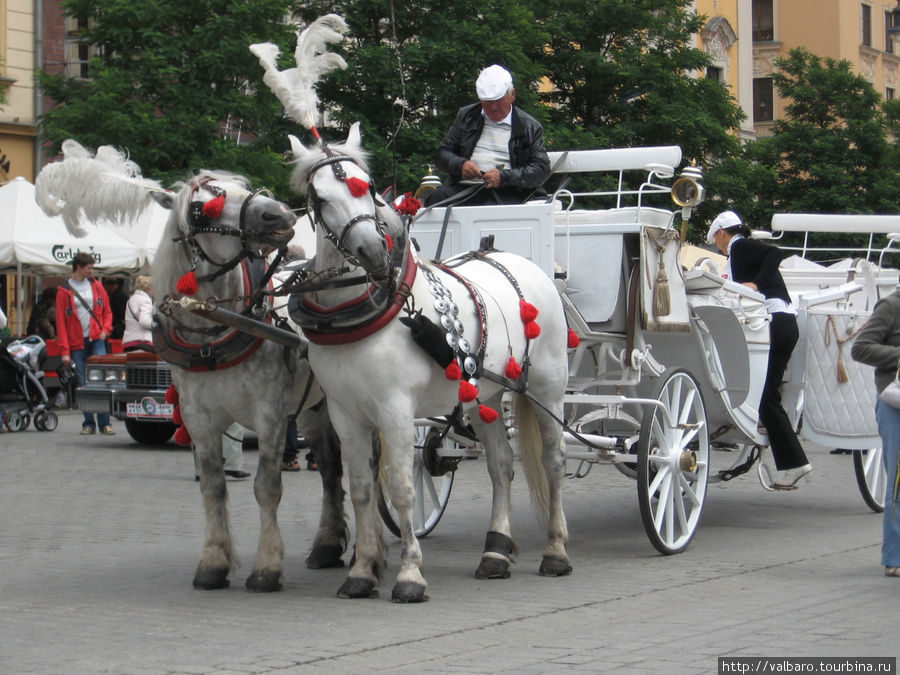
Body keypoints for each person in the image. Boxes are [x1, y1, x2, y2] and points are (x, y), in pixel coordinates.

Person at [707, 210, 811, 488]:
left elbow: (774, 253)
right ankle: (790, 456)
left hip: (775, 324)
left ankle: (797, 463)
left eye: (715, 239)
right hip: (781, 323)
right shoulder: (737, 251)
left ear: (720, 233)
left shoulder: (738, 246)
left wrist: (756, 284)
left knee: (767, 399)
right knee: (767, 396)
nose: (717, 245)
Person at [424, 64, 551, 207]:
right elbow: (442, 154)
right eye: (487, 102)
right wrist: (461, 165)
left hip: (510, 191)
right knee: (435, 199)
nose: (493, 107)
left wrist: (504, 177)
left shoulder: (529, 126)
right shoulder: (466, 116)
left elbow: (541, 168)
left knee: (501, 208)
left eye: (498, 101)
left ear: (512, 95)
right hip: (466, 189)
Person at [851, 286, 900, 577]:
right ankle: (894, 555)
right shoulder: (891, 305)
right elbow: (861, 348)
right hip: (895, 404)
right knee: (896, 479)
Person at [55, 252, 115, 435]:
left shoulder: (96, 286)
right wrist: (65, 351)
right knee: (83, 383)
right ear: (79, 268)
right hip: (76, 343)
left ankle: (105, 422)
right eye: (89, 268)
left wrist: (105, 330)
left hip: (97, 338)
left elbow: (107, 311)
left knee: (102, 380)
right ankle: (89, 422)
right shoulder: (64, 290)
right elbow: (61, 323)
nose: (92, 271)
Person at [121, 275, 154, 352]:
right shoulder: (145, 300)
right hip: (142, 342)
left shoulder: (131, 299)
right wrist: (157, 324)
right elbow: (145, 322)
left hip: (128, 342)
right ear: (148, 289)